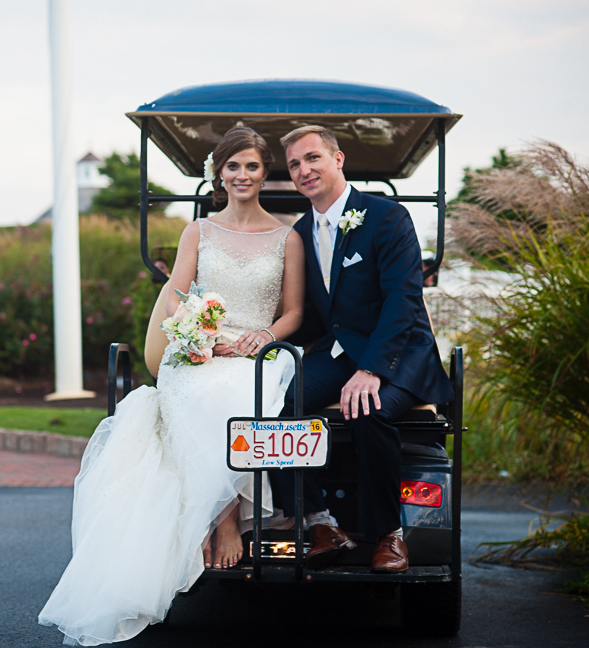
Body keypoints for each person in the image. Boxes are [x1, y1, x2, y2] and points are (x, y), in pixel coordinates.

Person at [39, 127, 306, 645]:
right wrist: (199, 338)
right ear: (219, 174)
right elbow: (180, 295)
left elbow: (294, 311)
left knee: (236, 394)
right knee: (193, 389)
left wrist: (261, 337)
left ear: (264, 171)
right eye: (233, 167)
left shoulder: (286, 237)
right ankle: (221, 518)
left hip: (256, 350)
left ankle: (226, 517)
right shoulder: (198, 232)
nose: (243, 176)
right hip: (201, 347)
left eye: (251, 166)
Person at [272, 125, 453, 574]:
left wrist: (372, 368)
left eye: (312, 158)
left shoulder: (387, 216)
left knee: (367, 408)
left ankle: (389, 535)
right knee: (274, 406)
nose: (304, 170)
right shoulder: (300, 231)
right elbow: (316, 317)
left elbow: (403, 302)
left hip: (399, 353)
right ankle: (320, 523)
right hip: (339, 353)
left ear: (338, 159)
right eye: (295, 164)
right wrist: (256, 337)